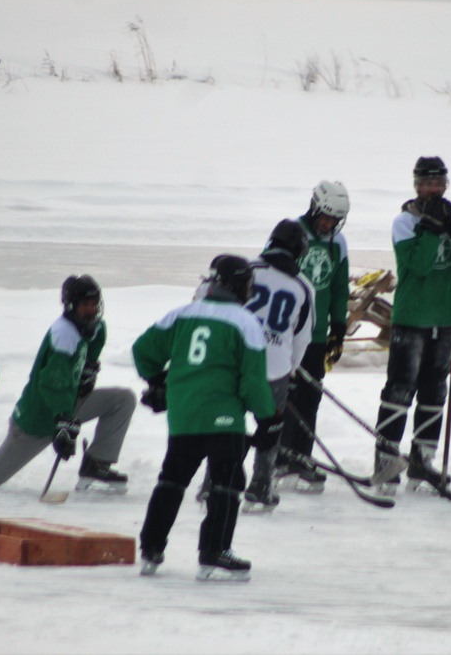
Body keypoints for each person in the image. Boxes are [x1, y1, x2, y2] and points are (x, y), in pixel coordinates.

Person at [133, 255, 280, 581]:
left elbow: (143, 351)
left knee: (172, 480)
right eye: (247, 283)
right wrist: (268, 419)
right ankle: (214, 552)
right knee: (227, 482)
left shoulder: (181, 313)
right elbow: (252, 382)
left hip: (184, 416)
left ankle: (150, 549)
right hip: (224, 419)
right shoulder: (245, 322)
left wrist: (158, 383)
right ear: (237, 285)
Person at [0, 275, 134, 493]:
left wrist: (88, 370)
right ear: (71, 306)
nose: (92, 310)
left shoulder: (93, 327)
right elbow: (51, 383)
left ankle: (96, 464)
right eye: (86, 305)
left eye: (95, 304)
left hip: (68, 407)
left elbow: (95, 341)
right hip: (38, 419)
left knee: (123, 400)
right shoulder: (63, 335)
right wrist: (63, 422)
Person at [372, 156, 451, 495]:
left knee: (435, 392)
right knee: (400, 390)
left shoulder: (449, 218)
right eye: (426, 183)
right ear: (416, 185)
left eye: (439, 183)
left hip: (446, 320)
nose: (433, 189)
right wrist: (433, 228)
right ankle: (386, 462)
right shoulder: (404, 222)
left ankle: (423, 462)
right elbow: (419, 265)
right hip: (411, 319)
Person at [278, 181, 351, 492]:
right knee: (285, 396)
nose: (328, 224)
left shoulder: (338, 243)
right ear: (314, 208)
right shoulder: (291, 234)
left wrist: (338, 328)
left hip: (316, 335)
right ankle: (278, 456)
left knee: (310, 398)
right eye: (325, 217)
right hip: (288, 334)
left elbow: (338, 288)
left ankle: (301, 458)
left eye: (334, 220)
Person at [240, 220, 314, 510]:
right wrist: (291, 369)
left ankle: (213, 481)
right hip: (275, 366)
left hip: (239, 361)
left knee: (228, 420)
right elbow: (302, 336)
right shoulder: (303, 285)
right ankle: (260, 484)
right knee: (270, 426)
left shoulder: (246, 269)